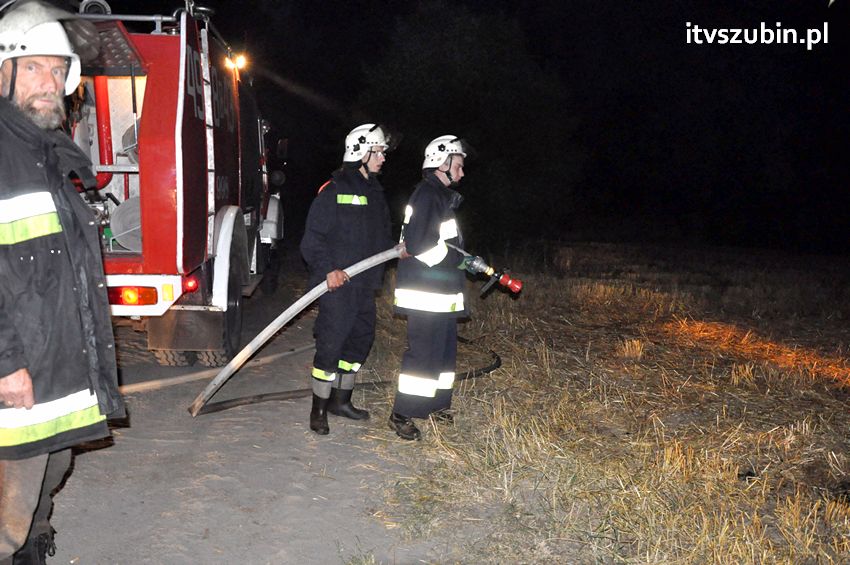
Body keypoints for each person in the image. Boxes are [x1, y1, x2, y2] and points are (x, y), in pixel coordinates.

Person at [0, 2, 124, 563]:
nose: (48, 83)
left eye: (57, 69)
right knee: (9, 508)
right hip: (19, 369)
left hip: (58, 360)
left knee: (52, 469)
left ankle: (33, 547)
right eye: (33, 68)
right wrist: (5, 363)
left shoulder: (46, 154)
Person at [300, 124, 395, 435]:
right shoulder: (334, 190)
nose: (383, 157)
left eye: (382, 151)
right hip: (338, 287)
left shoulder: (376, 193)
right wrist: (328, 269)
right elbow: (312, 240)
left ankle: (341, 402)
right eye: (378, 151)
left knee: (359, 343)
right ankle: (319, 410)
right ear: (361, 152)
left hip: (365, 286)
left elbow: (380, 238)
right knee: (330, 346)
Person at [389, 135, 473, 441]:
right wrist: (459, 261)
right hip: (426, 295)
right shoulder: (427, 195)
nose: (462, 173)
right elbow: (421, 245)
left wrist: (463, 259)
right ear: (443, 162)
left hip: (442, 296)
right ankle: (402, 413)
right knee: (423, 356)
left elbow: (443, 242)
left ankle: (437, 405)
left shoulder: (441, 197)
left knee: (443, 354)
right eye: (459, 166)